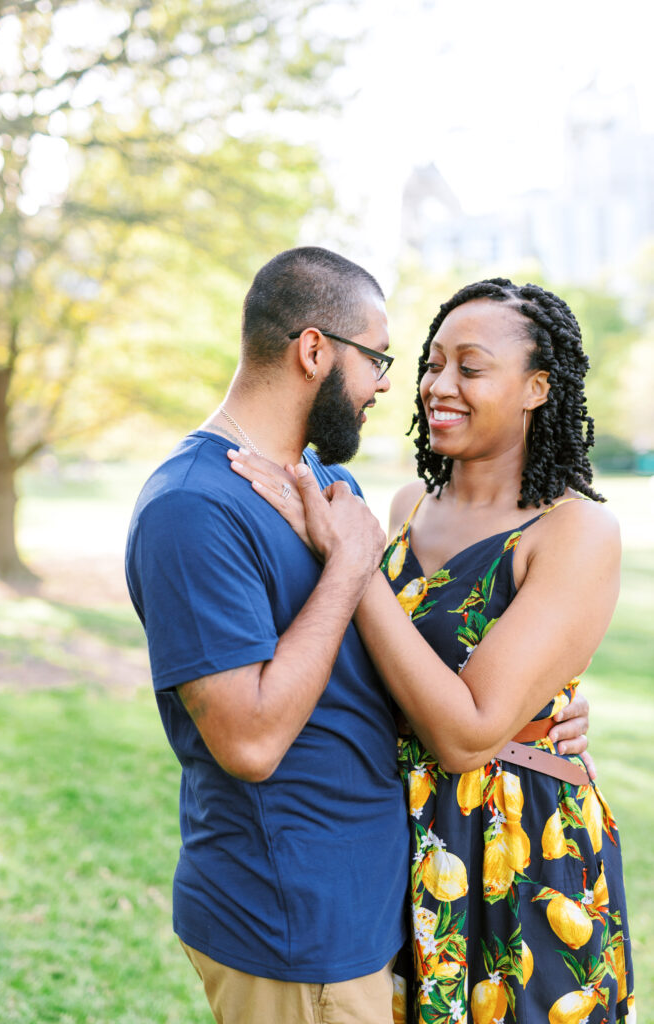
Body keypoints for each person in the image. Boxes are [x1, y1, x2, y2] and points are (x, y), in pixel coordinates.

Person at [125, 251, 590, 1024]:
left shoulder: (324, 486)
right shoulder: (194, 506)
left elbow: (386, 671)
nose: (392, 384)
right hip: (292, 922)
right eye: (380, 357)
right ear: (314, 351)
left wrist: (537, 717)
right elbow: (248, 743)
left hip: (383, 907)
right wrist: (349, 567)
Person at [229, 277, 634, 1023]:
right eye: (431, 362)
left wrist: (352, 562)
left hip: (518, 850)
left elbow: (466, 732)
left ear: (537, 388)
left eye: (469, 368)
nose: (436, 386)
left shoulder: (575, 531)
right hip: (395, 835)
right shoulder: (406, 507)